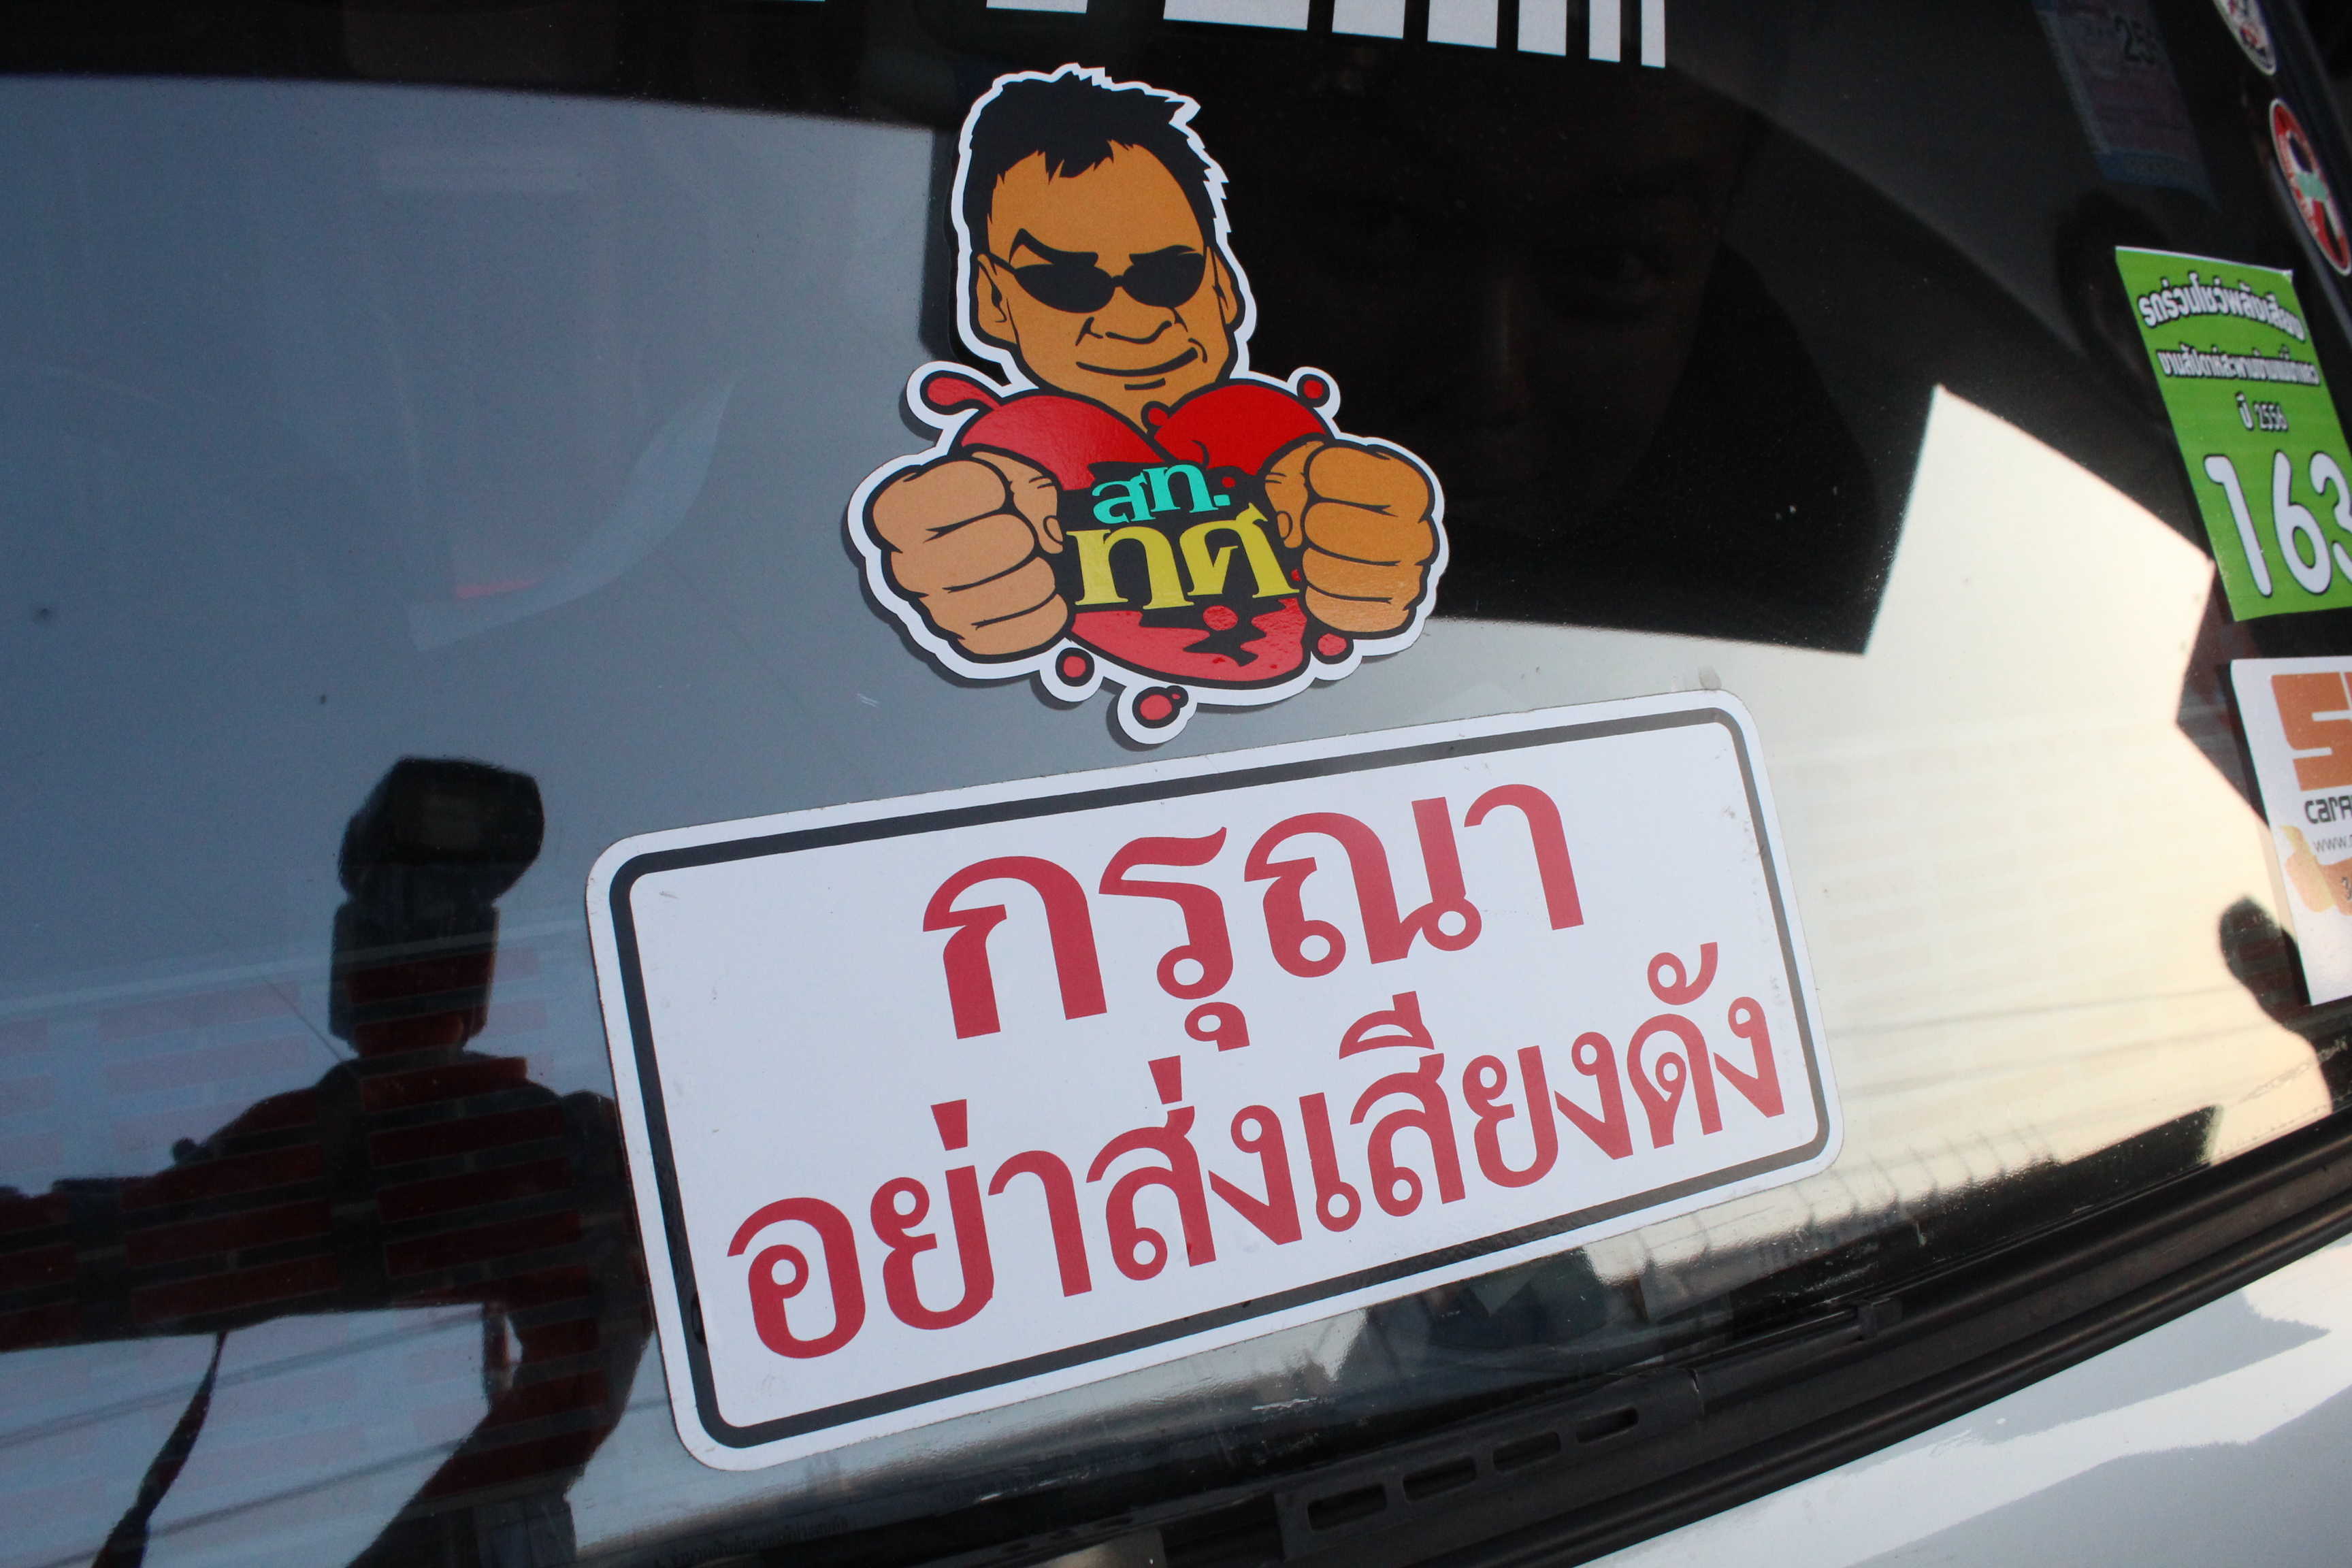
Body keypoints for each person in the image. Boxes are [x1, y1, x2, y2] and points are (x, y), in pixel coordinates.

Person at [0, 759, 648, 1568]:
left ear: (350, 969)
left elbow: (95, 1259)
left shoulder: (334, 1150)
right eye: (403, 918)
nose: (420, 939)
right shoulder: (571, 1152)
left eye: (438, 921)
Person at [858, 65, 1443, 734]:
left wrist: (1372, 532)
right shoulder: (1005, 459)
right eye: (1066, 283)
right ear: (992, 299)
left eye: (1168, 273)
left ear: (1223, 284)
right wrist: (956, 545)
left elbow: (1370, 533)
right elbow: (949, 528)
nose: (1131, 322)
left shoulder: (1288, 436)